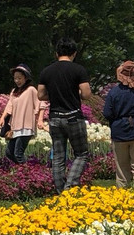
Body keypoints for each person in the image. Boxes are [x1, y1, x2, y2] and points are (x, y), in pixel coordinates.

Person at [37, 38, 93, 192]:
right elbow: (87, 94)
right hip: (73, 116)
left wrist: (54, 95)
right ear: (74, 53)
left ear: (56, 53)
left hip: (55, 117)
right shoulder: (78, 70)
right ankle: (71, 185)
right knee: (81, 153)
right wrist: (74, 94)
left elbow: (40, 95)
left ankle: (60, 190)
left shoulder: (46, 71)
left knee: (59, 156)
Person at [102, 60, 134, 188]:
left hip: (119, 130)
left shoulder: (114, 92)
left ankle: (122, 193)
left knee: (121, 166)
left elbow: (107, 113)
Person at [0, 64, 45, 163]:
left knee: (18, 154)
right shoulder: (14, 92)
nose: (17, 81)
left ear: (25, 77)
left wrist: (40, 120)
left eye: (19, 78)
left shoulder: (31, 90)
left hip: (26, 127)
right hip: (15, 127)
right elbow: (9, 105)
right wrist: (2, 118)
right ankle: (21, 172)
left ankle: (26, 173)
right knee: (9, 153)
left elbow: (41, 104)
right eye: (15, 78)